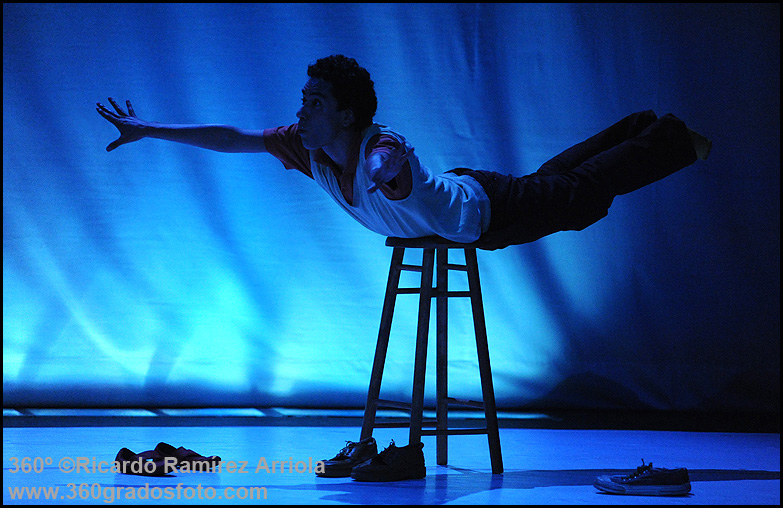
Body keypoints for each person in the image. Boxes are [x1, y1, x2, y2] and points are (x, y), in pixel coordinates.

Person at [96, 54, 710, 480]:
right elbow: (234, 137)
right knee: (562, 185)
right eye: (303, 101)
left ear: (346, 115)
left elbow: (390, 160)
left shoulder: (379, 146)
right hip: (469, 207)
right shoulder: (311, 150)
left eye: (315, 103)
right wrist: (148, 129)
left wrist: (381, 169)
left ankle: (674, 140)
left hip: (486, 210)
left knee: (574, 195)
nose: (302, 112)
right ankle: (643, 128)